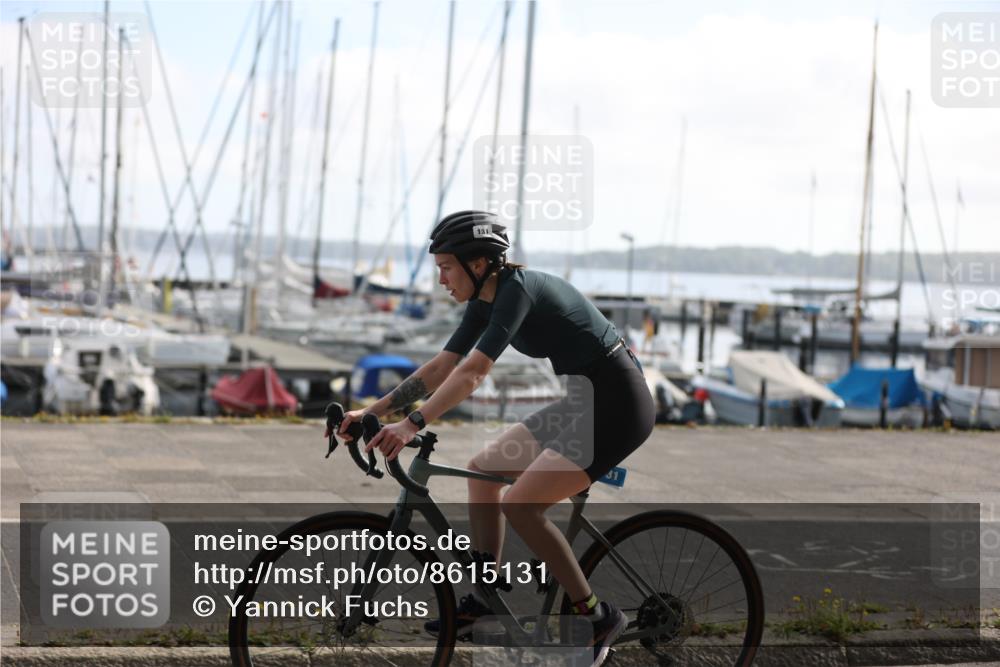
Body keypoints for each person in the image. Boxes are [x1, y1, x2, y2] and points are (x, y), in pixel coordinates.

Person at [333, 210, 655, 666]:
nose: (441, 279)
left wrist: (412, 424)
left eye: (446, 267)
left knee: (521, 505)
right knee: (482, 472)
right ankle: (486, 603)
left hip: (619, 404)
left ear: (479, 263)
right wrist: (372, 412)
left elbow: (473, 373)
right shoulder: (484, 301)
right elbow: (442, 366)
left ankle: (597, 615)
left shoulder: (517, 291)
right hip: (583, 401)